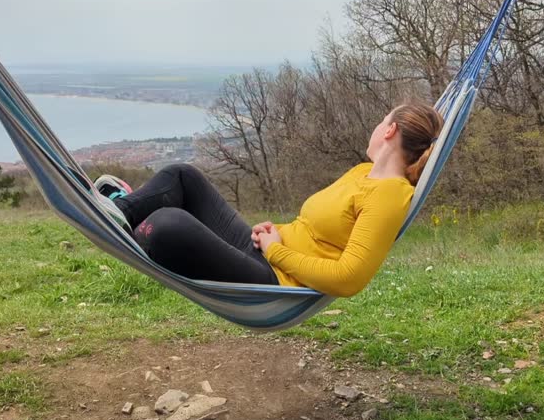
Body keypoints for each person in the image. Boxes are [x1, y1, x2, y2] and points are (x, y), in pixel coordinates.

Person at [94, 101, 443, 298]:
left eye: (380, 120)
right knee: (184, 175)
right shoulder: (361, 172)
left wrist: (277, 250)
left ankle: (128, 215)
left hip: (273, 278)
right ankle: (118, 211)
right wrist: (274, 231)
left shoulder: (389, 195)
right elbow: (315, 229)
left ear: (390, 130)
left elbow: (349, 278)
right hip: (260, 251)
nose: (376, 126)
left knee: (168, 225)